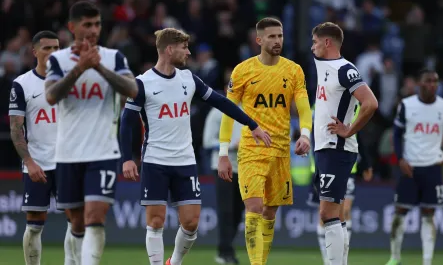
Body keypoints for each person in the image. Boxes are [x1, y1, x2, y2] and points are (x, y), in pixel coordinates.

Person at [120, 28, 270, 265]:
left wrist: (251, 124)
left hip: (185, 161)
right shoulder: (142, 83)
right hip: (155, 161)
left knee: (191, 224)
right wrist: (127, 158)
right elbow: (127, 121)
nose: (188, 52)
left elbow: (221, 102)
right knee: (156, 221)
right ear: (170, 50)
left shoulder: (189, 79)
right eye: (184, 48)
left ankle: (175, 262)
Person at [44, 1, 138, 265]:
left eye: (97, 24)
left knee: (95, 217)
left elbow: (132, 90)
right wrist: (80, 68)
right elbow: (51, 96)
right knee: (76, 223)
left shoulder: (114, 58)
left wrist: (97, 67)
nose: (94, 29)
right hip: (68, 152)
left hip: (103, 151)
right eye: (87, 24)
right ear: (72, 27)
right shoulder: (58, 60)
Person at [218, 17, 313, 265]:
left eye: (280, 36)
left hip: (281, 150)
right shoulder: (242, 71)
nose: (277, 41)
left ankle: (261, 260)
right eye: (272, 36)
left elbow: (304, 108)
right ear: (259, 40)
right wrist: (222, 152)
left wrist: (305, 134)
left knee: (270, 212)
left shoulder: (293, 70)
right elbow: (229, 113)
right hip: (251, 149)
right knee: (254, 208)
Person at [311, 22, 378, 265]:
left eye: (315, 42)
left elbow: (370, 103)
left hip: (336, 149)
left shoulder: (345, 69)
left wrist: (349, 130)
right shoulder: (324, 66)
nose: (312, 47)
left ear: (327, 43)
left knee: (327, 213)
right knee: (336, 215)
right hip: (325, 149)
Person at [8, 30, 74, 265]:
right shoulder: (22, 84)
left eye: (57, 48)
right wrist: (29, 162)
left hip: (67, 163)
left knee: (75, 222)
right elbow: (16, 129)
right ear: (35, 52)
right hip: (38, 164)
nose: (53, 53)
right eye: (47, 48)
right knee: (34, 224)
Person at [386, 69, 443, 265]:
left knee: (429, 216)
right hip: (410, 167)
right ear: (420, 84)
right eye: (428, 81)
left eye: (435, 81)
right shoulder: (407, 105)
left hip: (432, 167)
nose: (433, 85)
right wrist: (401, 158)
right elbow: (396, 133)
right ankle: (395, 258)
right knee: (399, 215)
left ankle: (427, 261)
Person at [306, 105, 373, 265]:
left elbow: (358, 133)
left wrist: (366, 163)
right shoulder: (316, 107)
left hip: (347, 165)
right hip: (322, 165)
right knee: (325, 215)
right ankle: (328, 260)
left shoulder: (350, 102)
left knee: (345, 211)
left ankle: (342, 260)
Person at [203, 85, 244, 264]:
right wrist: (230, 146)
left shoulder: (248, 111)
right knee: (226, 210)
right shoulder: (217, 112)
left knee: (238, 211)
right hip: (221, 166)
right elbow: (207, 142)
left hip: (243, 167)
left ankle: (225, 248)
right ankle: (226, 251)